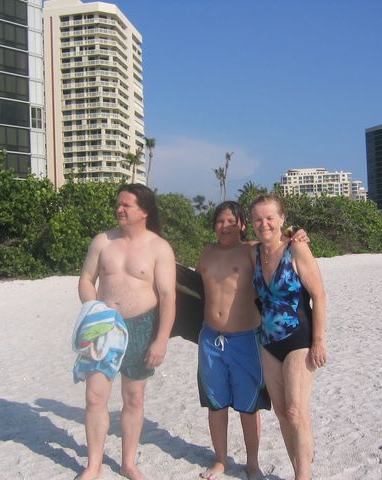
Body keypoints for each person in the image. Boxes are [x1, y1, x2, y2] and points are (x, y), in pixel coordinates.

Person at [195, 201, 307, 480]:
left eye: (232, 222)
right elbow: (194, 290)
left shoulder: (252, 251)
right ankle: (220, 460)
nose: (225, 226)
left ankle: (252, 464)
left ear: (243, 225)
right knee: (215, 403)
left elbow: (277, 244)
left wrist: (296, 233)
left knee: (249, 405)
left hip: (245, 338)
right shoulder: (206, 253)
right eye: (220, 221)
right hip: (210, 339)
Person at [77, 183, 176, 480]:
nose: (119, 209)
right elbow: (86, 279)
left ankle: (128, 463)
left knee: (133, 398)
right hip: (103, 325)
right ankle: (93, 465)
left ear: (144, 211)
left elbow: (168, 296)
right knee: (95, 397)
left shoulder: (159, 247)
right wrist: (93, 311)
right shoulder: (102, 241)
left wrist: (161, 340)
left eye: (126, 205)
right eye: (118, 204)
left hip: (141, 326)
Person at [249, 194, 327, 480]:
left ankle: (303, 476)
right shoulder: (253, 252)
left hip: (299, 339)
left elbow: (319, 296)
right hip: (268, 342)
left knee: (296, 411)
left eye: (270, 218)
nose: (264, 224)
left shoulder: (296, 249)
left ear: (282, 219)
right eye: (258, 219)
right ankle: (298, 470)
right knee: (282, 413)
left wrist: (319, 341)